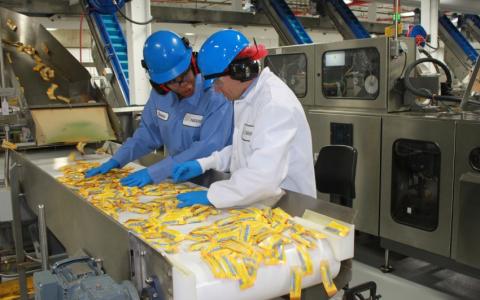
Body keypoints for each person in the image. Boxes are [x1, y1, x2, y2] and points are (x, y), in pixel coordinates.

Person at [172, 29, 316, 208]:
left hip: (288, 207)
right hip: (259, 201)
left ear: (240, 71)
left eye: (217, 82)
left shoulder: (274, 103)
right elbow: (244, 149)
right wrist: (203, 163)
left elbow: (263, 177)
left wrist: (213, 195)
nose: (216, 89)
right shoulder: (246, 96)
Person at [85, 30, 233, 187]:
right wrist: (118, 159)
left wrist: (156, 172)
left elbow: (207, 147)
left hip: (218, 178)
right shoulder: (160, 96)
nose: (185, 85)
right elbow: (147, 134)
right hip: (179, 176)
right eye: (173, 81)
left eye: (184, 75)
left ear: (193, 64)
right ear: (161, 83)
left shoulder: (216, 96)